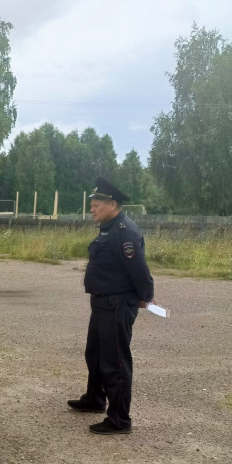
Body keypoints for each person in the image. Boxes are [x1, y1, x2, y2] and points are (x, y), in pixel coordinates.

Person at [68, 177, 155, 435]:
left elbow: (139, 270)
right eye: (92, 205)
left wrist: (145, 296)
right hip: (103, 301)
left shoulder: (123, 232)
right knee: (94, 354)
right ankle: (95, 398)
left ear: (112, 204)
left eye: (96, 205)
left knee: (115, 360)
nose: (92, 209)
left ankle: (119, 419)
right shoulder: (108, 228)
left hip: (117, 303)